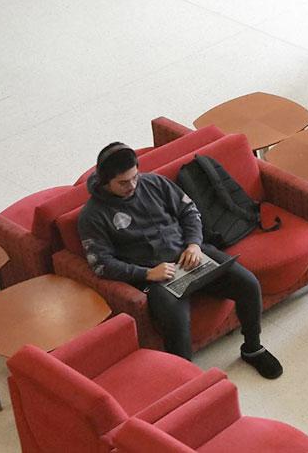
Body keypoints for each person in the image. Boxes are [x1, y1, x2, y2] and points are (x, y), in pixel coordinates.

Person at [78, 142, 283, 379]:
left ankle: (252, 348)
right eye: (123, 183)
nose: (132, 186)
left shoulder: (154, 183)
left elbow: (189, 212)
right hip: (156, 276)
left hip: (191, 256)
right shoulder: (92, 216)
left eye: (135, 177)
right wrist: (146, 274)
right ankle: (187, 380)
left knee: (248, 283)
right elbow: (100, 264)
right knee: (175, 321)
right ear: (105, 181)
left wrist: (194, 244)